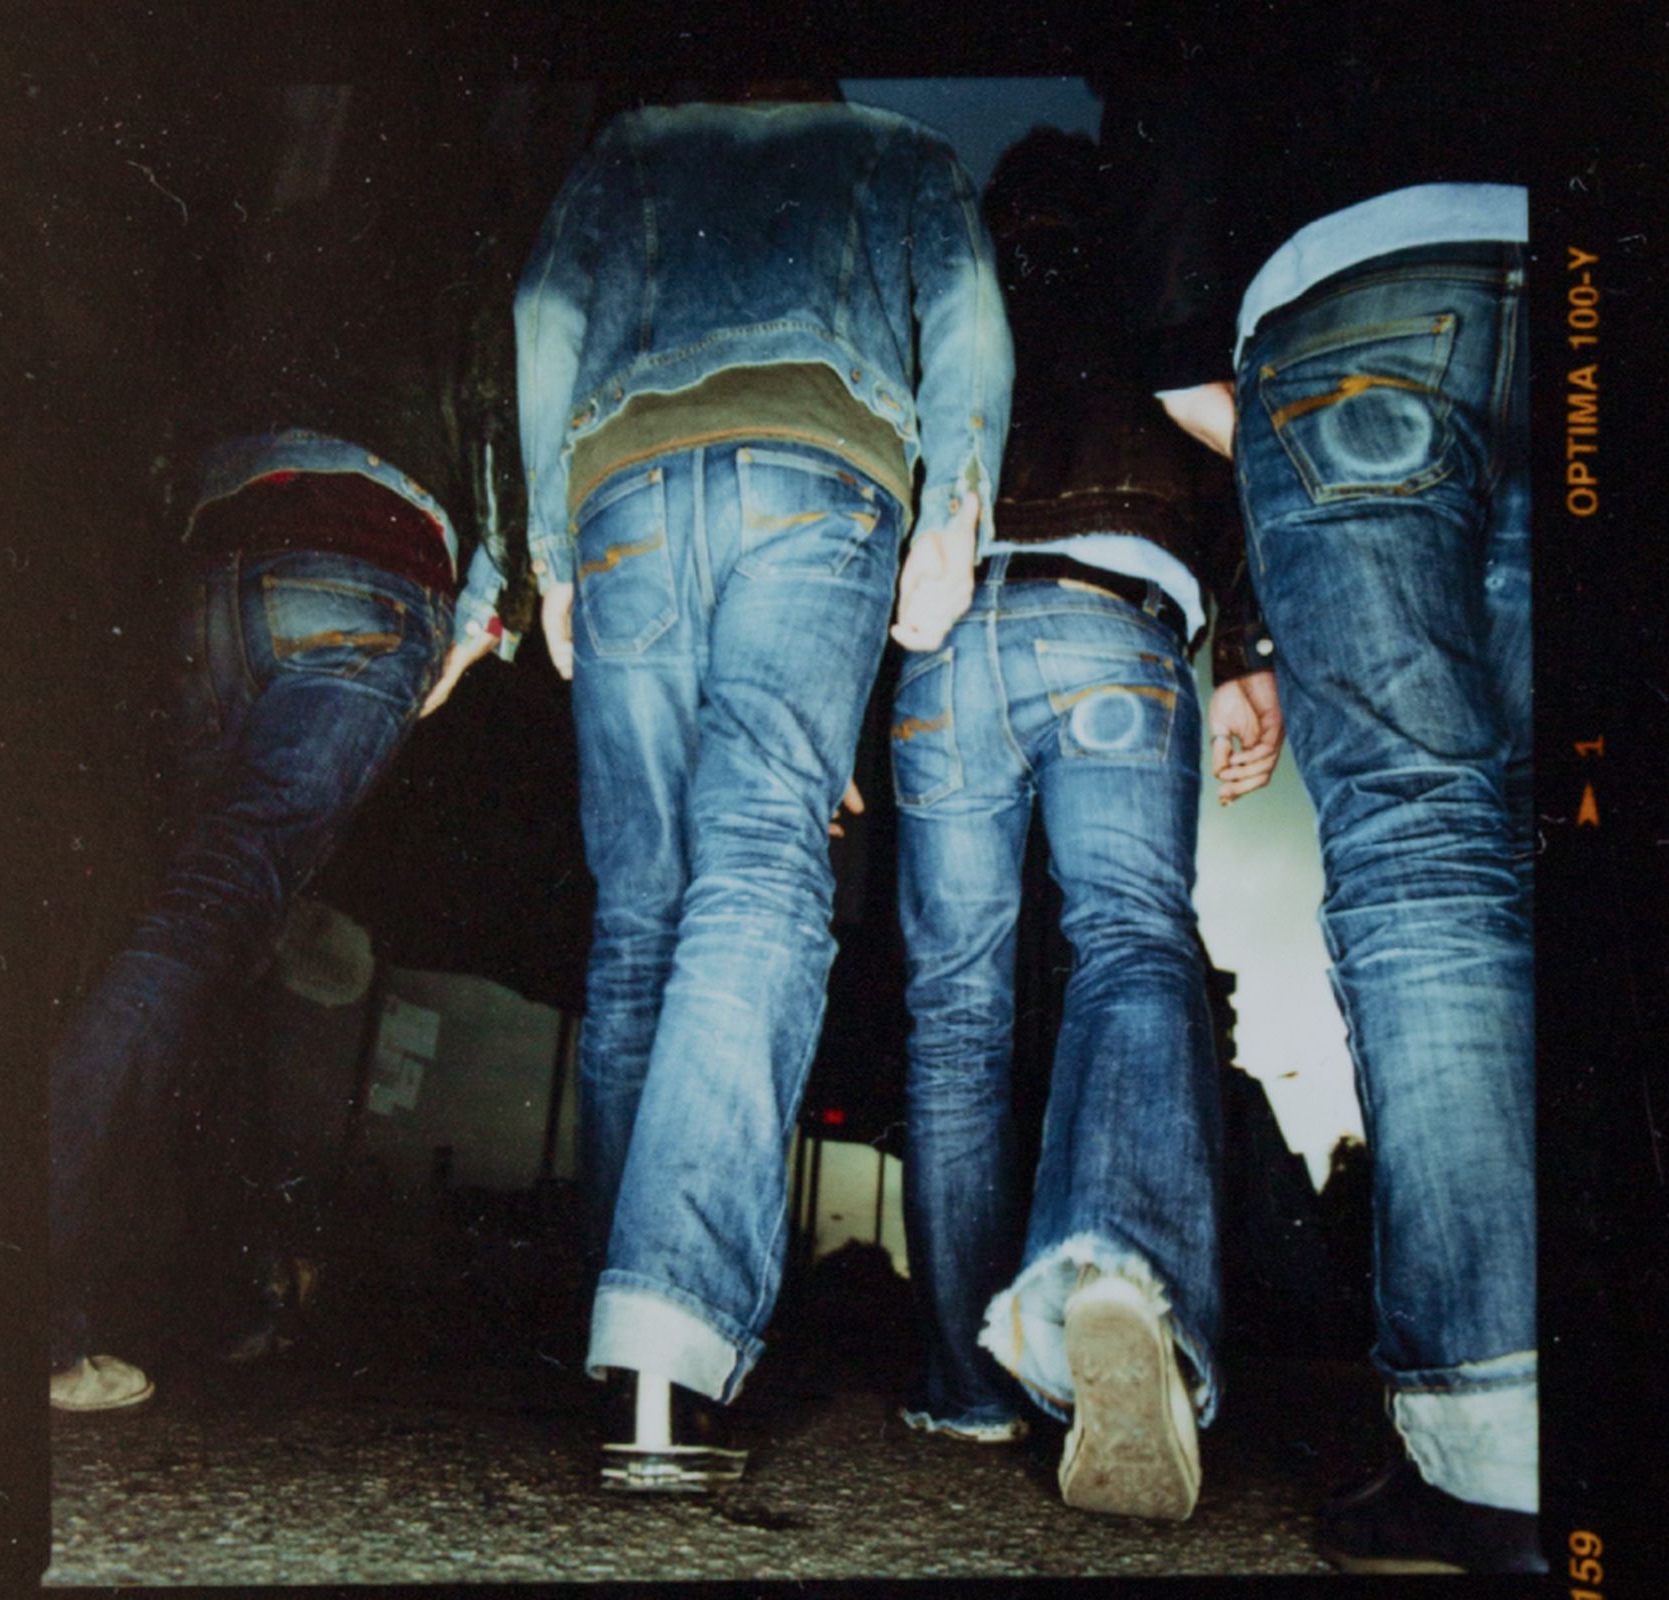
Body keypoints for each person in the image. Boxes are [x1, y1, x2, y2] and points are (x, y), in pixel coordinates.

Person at [443, 86, 1009, 1490]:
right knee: (759, 864)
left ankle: (633, 1355)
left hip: (627, 488)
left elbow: (540, 320)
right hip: (820, 479)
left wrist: (555, 555)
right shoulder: (901, 152)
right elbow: (970, 321)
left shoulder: (629, 143)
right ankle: (676, 1325)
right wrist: (955, 511)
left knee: (638, 911)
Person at [1110, 29, 1541, 1573]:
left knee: (1427, 855)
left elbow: (1161, 64)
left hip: (1355, 281)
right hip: (1600, 263)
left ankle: (1493, 1449)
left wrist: (1179, 332)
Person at [47, 83, 524, 1411]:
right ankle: (26, 1290)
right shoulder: (470, 271)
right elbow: (504, 452)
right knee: (216, 922)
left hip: (215, 574)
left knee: (202, 926)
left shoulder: (284, 238)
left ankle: (151, 1292)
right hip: (367, 579)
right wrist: (471, 634)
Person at [886, 129, 1277, 1523]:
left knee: (953, 1010)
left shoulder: (958, 287)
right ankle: (1111, 1268)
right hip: (1110, 616)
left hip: (941, 641)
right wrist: (1246, 646)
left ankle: (964, 1379)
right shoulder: (1157, 279)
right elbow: (1220, 434)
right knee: (1129, 939)